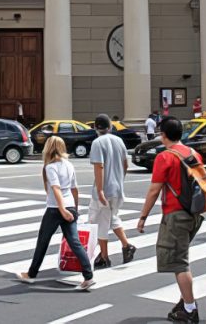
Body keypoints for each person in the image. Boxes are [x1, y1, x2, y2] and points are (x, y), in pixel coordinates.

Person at [137, 116, 204, 322]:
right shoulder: (193, 153)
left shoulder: (165, 157)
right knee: (180, 258)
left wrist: (143, 217)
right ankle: (185, 301)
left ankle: (190, 309)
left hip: (176, 215)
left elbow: (154, 190)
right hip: (194, 213)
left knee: (179, 263)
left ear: (163, 135)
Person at [17, 135, 94, 290]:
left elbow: (56, 188)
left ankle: (31, 274)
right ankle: (88, 275)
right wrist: (74, 209)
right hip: (70, 205)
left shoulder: (50, 167)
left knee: (43, 241)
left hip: (55, 209)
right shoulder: (69, 164)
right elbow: (74, 188)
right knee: (74, 242)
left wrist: (62, 209)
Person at [88, 113, 136, 268]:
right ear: (110, 127)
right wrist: (119, 181)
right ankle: (126, 245)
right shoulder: (119, 141)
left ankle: (104, 256)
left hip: (104, 189)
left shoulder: (97, 143)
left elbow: (99, 166)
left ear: (95, 127)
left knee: (99, 221)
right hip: (117, 188)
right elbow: (125, 165)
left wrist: (100, 189)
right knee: (111, 216)